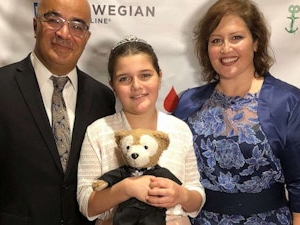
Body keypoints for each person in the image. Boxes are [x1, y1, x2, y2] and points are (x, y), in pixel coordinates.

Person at [172, 0, 300, 224]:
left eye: (236, 37)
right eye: (216, 40)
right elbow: (173, 171)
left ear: (256, 42)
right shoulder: (189, 102)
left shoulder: (289, 102)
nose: (226, 48)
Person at [0, 0, 115, 224]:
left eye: (77, 25)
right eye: (54, 20)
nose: (64, 33)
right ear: (35, 26)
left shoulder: (102, 98)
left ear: (86, 37)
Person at [76, 35, 205, 225]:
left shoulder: (179, 130)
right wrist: (126, 188)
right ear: (112, 85)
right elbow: (86, 203)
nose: (136, 86)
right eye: (124, 79)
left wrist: (181, 195)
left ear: (159, 77)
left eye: (145, 75)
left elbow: (196, 197)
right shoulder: (98, 132)